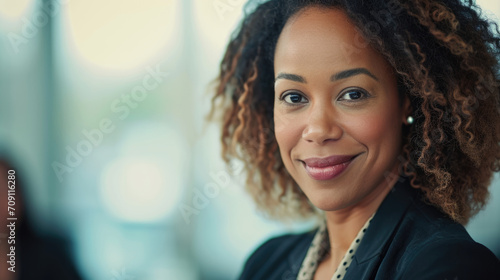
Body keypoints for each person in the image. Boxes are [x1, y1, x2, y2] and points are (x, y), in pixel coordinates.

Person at [209, 0, 500, 279]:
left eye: (353, 94)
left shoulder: (447, 265)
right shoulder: (266, 264)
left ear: (407, 102)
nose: (318, 130)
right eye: (294, 97)